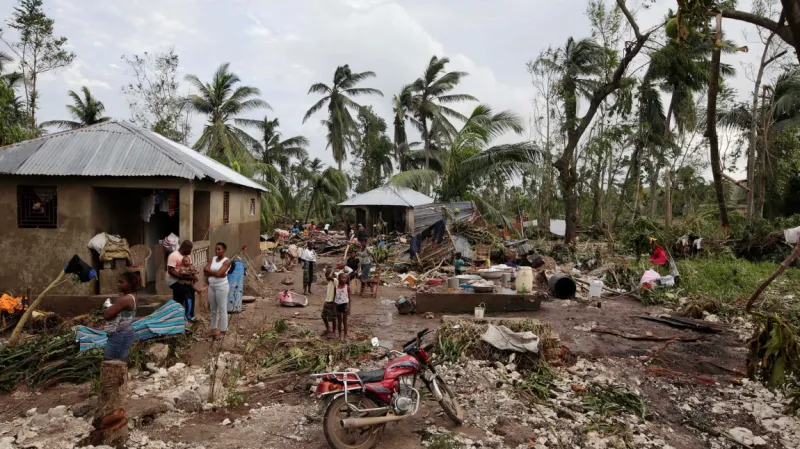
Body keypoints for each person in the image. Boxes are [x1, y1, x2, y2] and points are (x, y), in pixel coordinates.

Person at [103, 271, 138, 360]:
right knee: (120, 360)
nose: (118, 284)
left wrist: (107, 308)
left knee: (109, 362)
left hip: (120, 335)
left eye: (121, 282)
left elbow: (107, 315)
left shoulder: (126, 299)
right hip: (126, 332)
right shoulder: (133, 296)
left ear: (130, 284)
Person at [204, 242, 231, 338]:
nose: (217, 251)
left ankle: (224, 331)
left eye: (219, 249)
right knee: (213, 308)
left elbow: (219, 274)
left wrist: (214, 272)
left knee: (222, 308)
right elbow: (205, 271)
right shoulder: (213, 259)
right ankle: (213, 329)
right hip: (212, 286)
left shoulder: (226, 261)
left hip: (221, 287)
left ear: (224, 250)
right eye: (216, 249)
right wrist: (217, 273)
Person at [167, 240, 197, 321]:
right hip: (173, 280)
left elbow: (190, 267)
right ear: (186, 248)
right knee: (182, 292)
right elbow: (171, 271)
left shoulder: (187, 256)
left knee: (191, 291)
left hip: (185, 279)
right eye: (190, 249)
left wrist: (193, 276)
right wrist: (183, 278)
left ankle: (191, 314)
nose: (191, 251)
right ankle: (178, 317)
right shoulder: (173, 256)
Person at [334, 272, 351, 341]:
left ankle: (345, 336)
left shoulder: (347, 287)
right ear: (338, 279)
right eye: (342, 278)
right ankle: (339, 335)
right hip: (338, 304)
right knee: (339, 321)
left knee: (345, 321)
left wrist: (349, 308)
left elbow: (350, 299)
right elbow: (334, 298)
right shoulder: (336, 287)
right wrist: (334, 308)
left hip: (345, 305)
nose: (344, 279)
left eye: (345, 278)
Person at [321, 265, 337, 336]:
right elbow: (329, 277)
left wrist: (332, 270)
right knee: (323, 316)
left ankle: (333, 331)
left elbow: (330, 277)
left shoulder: (335, 280)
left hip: (332, 302)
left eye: (327, 276)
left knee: (333, 318)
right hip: (327, 301)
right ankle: (328, 328)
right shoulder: (329, 282)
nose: (326, 277)